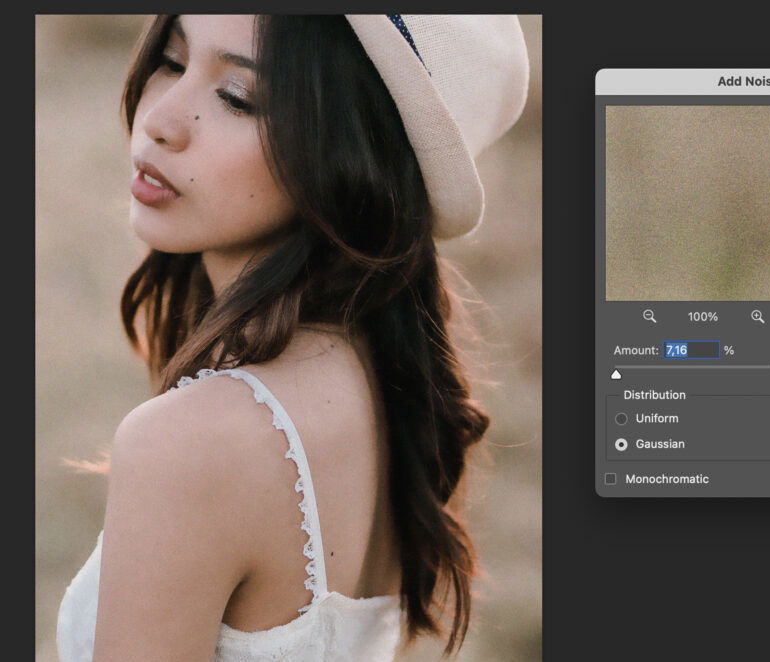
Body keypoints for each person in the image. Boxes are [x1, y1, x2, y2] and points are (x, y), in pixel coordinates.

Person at [55, 14, 529, 661]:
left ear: (347, 154)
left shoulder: (189, 443)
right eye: (170, 59)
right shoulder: (381, 385)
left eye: (237, 98)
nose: (162, 118)